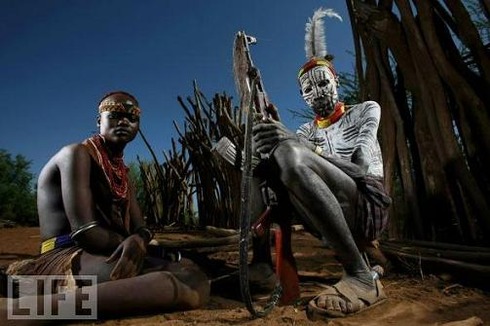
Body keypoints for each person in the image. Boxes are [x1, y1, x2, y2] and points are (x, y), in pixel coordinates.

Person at [2, 91, 210, 324]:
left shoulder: (122, 174)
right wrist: (133, 243)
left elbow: (141, 228)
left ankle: (35, 296)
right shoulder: (75, 154)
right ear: (99, 120)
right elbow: (86, 233)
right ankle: (24, 311)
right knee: (185, 282)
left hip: (103, 254)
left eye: (132, 118)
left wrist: (139, 239)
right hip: (65, 257)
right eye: (115, 115)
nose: (124, 122)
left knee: (189, 271)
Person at [249, 8, 391, 320]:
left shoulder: (366, 110)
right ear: (302, 96)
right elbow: (296, 162)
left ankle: (361, 276)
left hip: (364, 204)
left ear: (335, 81)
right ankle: (261, 263)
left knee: (289, 153)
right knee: (267, 164)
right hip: (325, 211)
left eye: (323, 83)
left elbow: (362, 170)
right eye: (309, 88)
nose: (318, 92)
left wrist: (296, 146)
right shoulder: (305, 132)